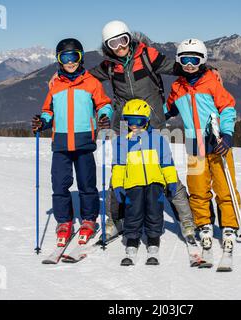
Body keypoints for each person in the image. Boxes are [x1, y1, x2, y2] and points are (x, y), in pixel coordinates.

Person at [49, 21, 211, 243]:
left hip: (154, 123)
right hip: (125, 127)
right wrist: (58, 78)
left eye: (123, 40)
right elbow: (84, 77)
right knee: (120, 174)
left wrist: (207, 71)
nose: (120, 47)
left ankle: (186, 222)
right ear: (107, 46)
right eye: (113, 43)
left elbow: (177, 68)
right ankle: (116, 221)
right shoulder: (109, 66)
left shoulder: (147, 55)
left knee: (166, 173)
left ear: (129, 38)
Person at [32, 38, 113, 248]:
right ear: (59, 60)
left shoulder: (91, 82)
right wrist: (42, 122)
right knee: (59, 184)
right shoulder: (55, 85)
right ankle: (64, 222)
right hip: (60, 144)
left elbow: (104, 104)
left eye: (74, 57)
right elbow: (48, 110)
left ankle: (88, 220)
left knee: (87, 185)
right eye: (65, 57)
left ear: (81, 57)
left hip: (84, 141)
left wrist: (104, 116)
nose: (70, 62)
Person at [165, 38, 241, 252]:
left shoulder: (211, 82)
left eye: (194, 60)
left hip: (217, 142)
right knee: (198, 189)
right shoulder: (177, 87)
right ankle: (204, 223)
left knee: (224, 187)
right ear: (179, 61)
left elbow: (227, 107)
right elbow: (169, 108)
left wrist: (227, 134)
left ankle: (229, 225)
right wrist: (150, 115)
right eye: (185, 59)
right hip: (193, 143)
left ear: (203, 60)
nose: (189, 64)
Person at [111, 99, 178, 266]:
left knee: (154, 210)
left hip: (155, 183)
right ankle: (132, 240)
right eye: (130, 121)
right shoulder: (121, 141)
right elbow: (118, 166)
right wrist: (118, 185)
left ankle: (153, 239)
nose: (134, 125)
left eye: (138, 121)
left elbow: (166, 162)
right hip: (132, 183)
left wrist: (171, 181)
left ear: (146, 120)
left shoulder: (158, 139)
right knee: (133, 212)